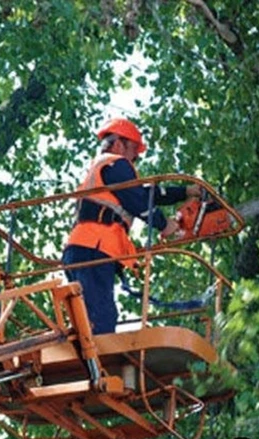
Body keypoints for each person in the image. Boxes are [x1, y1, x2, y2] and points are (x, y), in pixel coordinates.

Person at [62, 117, 202, 335]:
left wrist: (185, 192)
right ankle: (97, 366)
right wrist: (165, 225)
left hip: (84, 248)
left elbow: (146, 194)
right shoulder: (115, 163)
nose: (135, 158)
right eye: (134, 151)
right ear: (119, 143)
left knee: (90, 317)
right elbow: (136, 200)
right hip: (94, 248)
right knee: (101, 318)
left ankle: (91, 362)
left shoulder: (105, 170)